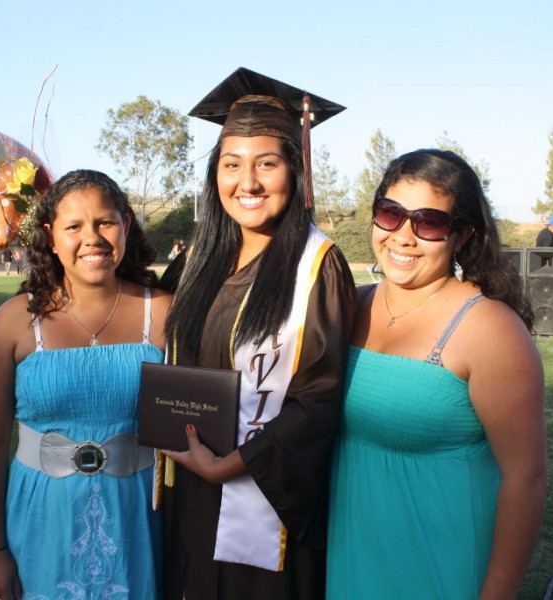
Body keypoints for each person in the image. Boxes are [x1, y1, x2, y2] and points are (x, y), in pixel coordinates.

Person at [158, 68, 355, 599]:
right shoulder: (196, 262)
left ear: (295, 169)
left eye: (266, 163)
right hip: (191, 487)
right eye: (231, 165)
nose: (247, 182)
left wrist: (231, 466)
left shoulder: (317, 266)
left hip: (262, 495)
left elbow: (318, 398)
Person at [326, 149, 546, 599]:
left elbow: (526, 479)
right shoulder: (347, 305)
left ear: (462, 235)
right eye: (390, 214)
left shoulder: (490, 330)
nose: (403, 236)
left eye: (428, 222)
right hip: (346, 560)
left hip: (438, 568)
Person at [0, 169, 172, 599]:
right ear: (50, 235)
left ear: (126, 225)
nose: (93, 238)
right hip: (40, 517)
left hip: (137, 517)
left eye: (105, 222)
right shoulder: (13, 321)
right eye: (74, 226)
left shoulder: (163, 314)